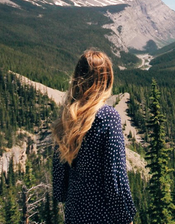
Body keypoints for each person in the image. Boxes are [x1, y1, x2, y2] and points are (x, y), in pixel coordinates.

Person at [52, 50, 137, 224]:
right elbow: (115, 177)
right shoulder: (108, 117)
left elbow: (59, 184)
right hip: (102, 214)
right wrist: (126, 217)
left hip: (74, 212)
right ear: (105, 80)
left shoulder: (67, 117)